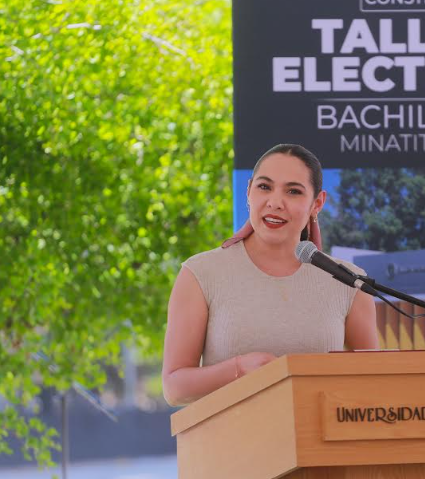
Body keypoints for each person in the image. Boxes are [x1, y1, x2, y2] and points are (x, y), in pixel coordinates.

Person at [162, 144, 378, 406]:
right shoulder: (201, 273)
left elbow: (373, 383)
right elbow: (174, 388)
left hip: (322, 432)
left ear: (317, 203)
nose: (275, 202)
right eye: (264, 187)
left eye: (293, 191)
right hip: (233, 433)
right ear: (248, 191)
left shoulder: (349, 282)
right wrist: (239, 369)